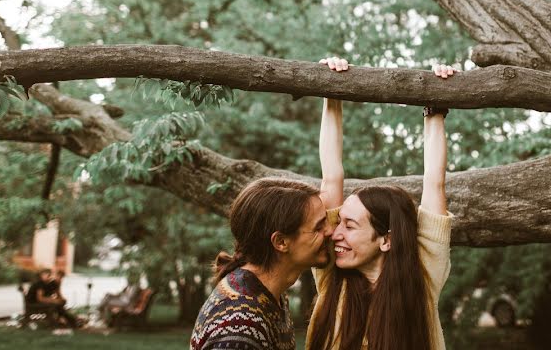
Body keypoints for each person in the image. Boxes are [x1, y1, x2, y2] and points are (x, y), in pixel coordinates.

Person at [308, 57, 455, 350]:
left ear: (387, 240)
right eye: (340, 223)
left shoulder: (422, 276)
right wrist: (332, 93)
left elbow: (434, 182)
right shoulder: (332, 272)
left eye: (349, 226)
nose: (335, 233)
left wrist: (435, 108)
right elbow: (332, 177)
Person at [191, 178, 335, 350]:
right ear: (281, 242)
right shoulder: (241, 326)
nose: (331, 230)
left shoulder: (269, 293)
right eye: (318, 227)